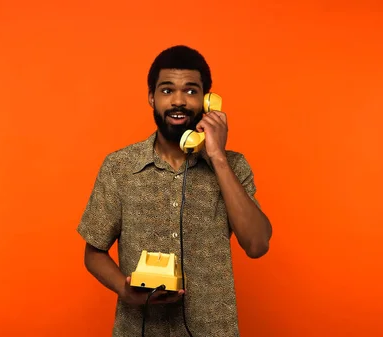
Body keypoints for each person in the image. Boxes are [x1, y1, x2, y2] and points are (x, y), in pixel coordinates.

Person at [77, 45, 272, 337]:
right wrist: (124, 290)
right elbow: (93, 251)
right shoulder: (120, 166)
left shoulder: (233, 165)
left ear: (208, 101)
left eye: (191, 91)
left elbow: (257, 245)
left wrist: (217, 157)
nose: (178, 101)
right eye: (167, 90)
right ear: (151, 97)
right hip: (138, 329)